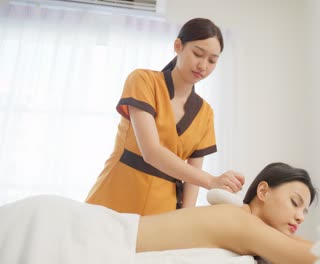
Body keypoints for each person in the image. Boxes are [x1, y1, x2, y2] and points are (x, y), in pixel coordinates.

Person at [0, 162, 318, 264]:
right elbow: (317, 256)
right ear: (263, 191)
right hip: (70, 232)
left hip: (80, 229)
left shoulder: (239, 226)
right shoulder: (239, 220)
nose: (301, 216)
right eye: (295, 202)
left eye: (305, 210)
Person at [85, 18, 245, 215]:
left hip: (162, 213)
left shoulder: (206, 113)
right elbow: (151, 151)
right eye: (197, 54)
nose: (203, 65)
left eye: (212, 60)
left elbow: (191, 182)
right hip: (114, 198)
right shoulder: (143, 81)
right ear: (178, 46)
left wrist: (183, 221)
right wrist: (212, 181)